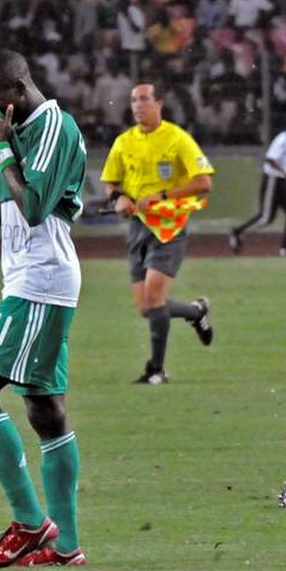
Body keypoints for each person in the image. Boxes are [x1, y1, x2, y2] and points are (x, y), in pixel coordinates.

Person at [0, 50, 88, 568]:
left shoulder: (56, 126)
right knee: (45, 410)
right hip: (26, 276)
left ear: (15, 90)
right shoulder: (18, 130)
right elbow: (1, 203)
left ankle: (32, 524)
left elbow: (33, 208)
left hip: (41, 279)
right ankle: (67, 546)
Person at [102, 83, 217, 385]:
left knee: (154, 296)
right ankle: (195, 311)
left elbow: (204, 182)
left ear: (159, 104)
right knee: (145, 307)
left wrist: (163, 195)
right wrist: (119, 200)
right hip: (139, 228)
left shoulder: (177, 138)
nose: (138, 105)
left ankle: (156, 370)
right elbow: (111, 184)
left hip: (170, 226)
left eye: (144, 99)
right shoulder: (124, 142)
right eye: (133, 101)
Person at [230, 116, 286, 257]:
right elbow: (270, 159)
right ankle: (238, 232)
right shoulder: (282, 139)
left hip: (284, 180)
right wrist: (285, 174)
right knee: (266, 217)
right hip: (273, 179)